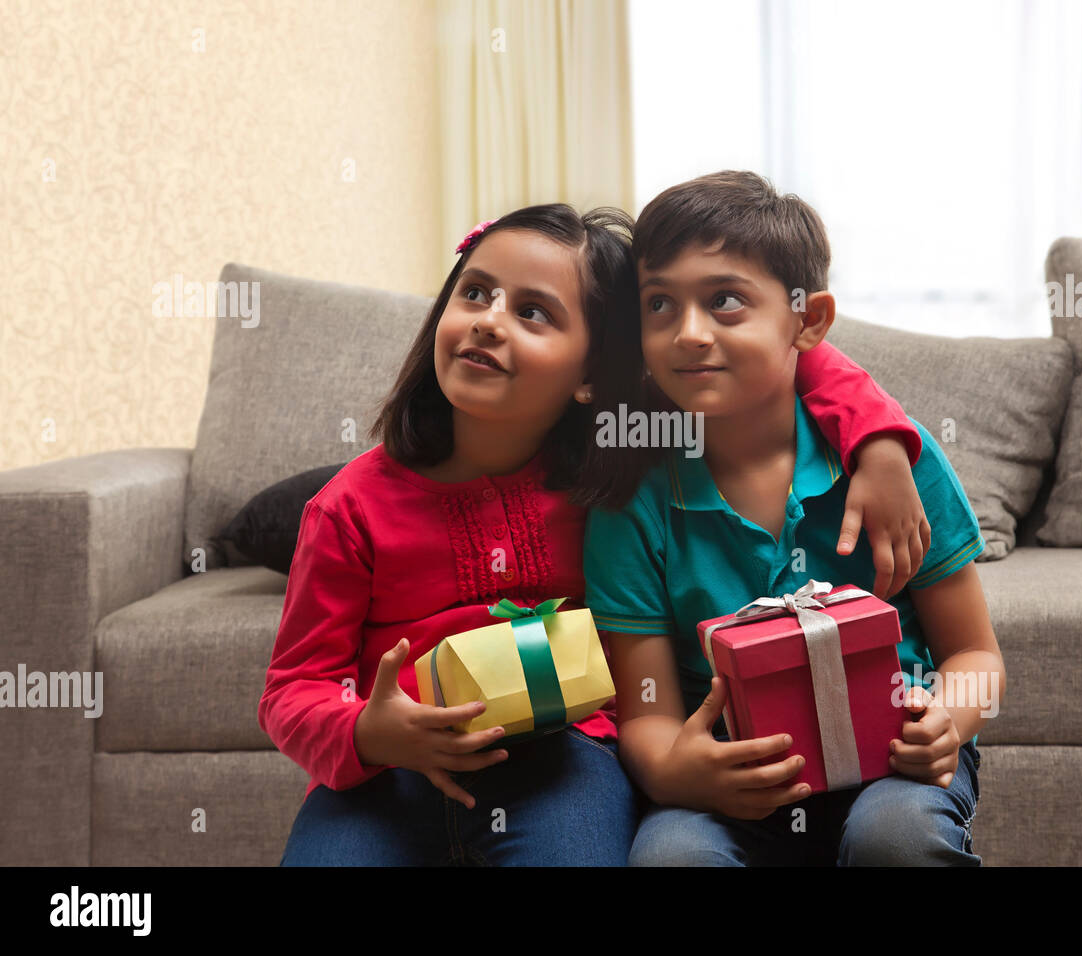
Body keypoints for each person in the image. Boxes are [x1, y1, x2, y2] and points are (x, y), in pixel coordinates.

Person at [258, 202, 931, 866]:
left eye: (532, 312)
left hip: (564, 754)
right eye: (475, 293)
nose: (489, 320)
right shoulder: (346, 507)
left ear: (592, 374)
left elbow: (783, 356)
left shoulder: (618, 472)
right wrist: (366, 732)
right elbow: (291, 689)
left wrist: (878, 439)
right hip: (387, 774)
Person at [583, 171, 1007, 866]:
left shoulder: (899, 461)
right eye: (660, 303)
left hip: (892, 766)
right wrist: (677, 769)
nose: (688, 333)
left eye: (724, 301)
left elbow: (975, 655)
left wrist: (949, 721)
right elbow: (648, 712)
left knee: (893, 838)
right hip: (726, 779)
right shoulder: (632, 493)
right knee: (671, 858)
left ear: (807, 320)